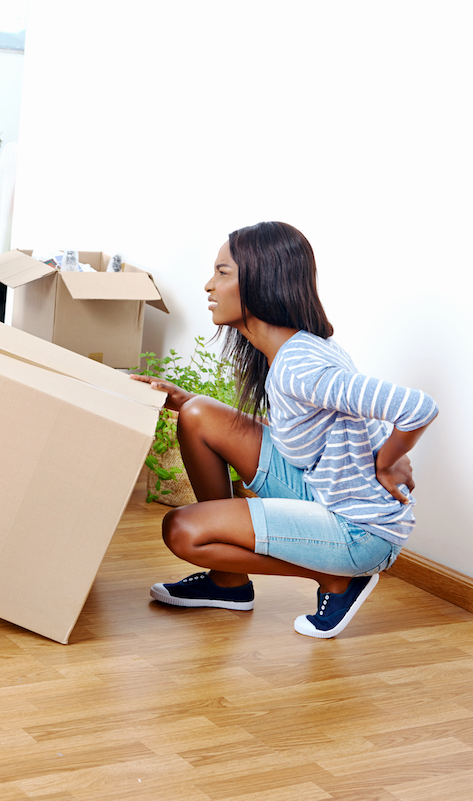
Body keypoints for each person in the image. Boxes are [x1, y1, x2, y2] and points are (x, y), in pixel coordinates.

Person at [132, 222, 438, 638]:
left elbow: (417, 407)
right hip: (323, 492)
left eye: (223, 273)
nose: (209, 285)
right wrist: (184, 400)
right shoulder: (294, 351)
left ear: (260, 281)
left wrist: (387, 461)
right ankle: (228, 584)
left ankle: (338, 579)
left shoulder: (300, 365)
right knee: (198, 413)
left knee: (183, 530)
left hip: (358, 531)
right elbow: (319, 429)